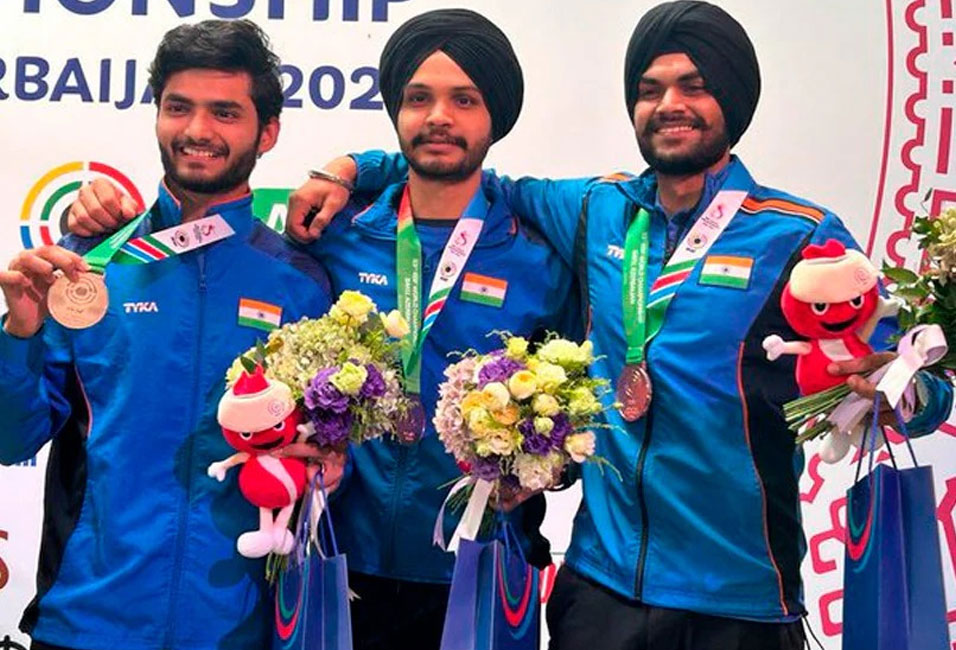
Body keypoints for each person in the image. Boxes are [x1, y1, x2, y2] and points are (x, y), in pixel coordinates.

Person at [282, 2, 955, 649]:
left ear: (734, 97)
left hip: (741, 595)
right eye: (650, 89)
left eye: (693, 86)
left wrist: (900, 392)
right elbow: (456, 165)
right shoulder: (595, 210)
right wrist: (347, 169)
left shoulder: (797, 235)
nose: (670, 104)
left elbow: (911, 384)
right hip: (600, 591)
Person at [64, 9, 580, 650]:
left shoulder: (539, 260)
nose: (438, 117)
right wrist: (350, 170)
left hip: (481, 567)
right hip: (336, 562)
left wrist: (542, 473)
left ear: (496, 114)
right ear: (395, 110)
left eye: (464, 100)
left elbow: (575, 422)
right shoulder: (332, 236)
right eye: (418, 98)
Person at [0, 20, 334, 650]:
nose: (197, 130)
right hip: (87, 621)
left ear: (267, 132)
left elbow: (323, 454)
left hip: (237, 628)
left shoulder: (302, 284)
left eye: (225, 112)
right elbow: (9, 438)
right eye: (179, 107)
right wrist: (19, 331)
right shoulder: (88, 265)